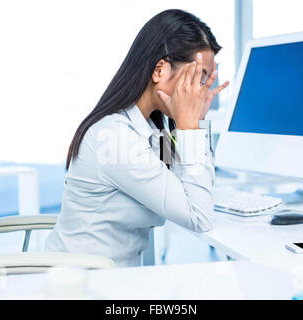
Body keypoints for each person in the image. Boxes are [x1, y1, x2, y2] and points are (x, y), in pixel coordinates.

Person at [45, 9, 229, 267]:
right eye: (196, 79)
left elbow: (185, 186)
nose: (199, 92)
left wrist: (191, 126)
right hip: (82, 284)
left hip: (115, 278)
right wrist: (191, 129)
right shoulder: (116, 137)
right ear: (160, 71)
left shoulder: (154, 129)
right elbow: (199, 217)